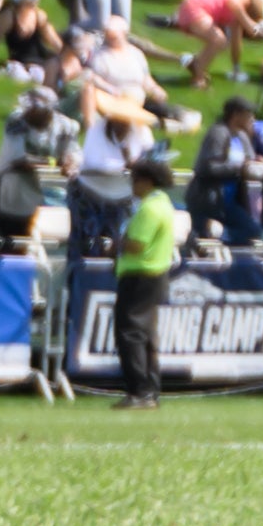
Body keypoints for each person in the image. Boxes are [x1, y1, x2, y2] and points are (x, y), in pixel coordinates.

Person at [107, 150, 181, 408]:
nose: (132, 185)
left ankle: (139, 392)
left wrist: (116, 244)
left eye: (135, 179)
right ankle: (150, 391)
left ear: (147, 181)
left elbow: (136, 244)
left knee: (130, 333)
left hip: (140, 275)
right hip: (154, 275)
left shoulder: (150, 208)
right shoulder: (163, 203)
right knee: (145, 334)